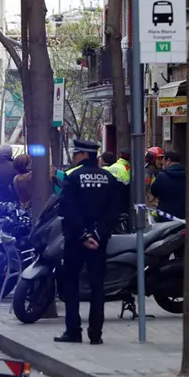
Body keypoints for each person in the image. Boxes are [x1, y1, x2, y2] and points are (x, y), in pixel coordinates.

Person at [54, 140, 119, 345]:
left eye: (75, 154)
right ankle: (95, 334)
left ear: (83, 155)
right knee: (97, 286)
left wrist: (83, 235)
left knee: (71, 285)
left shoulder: (73, 177)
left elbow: (67, 208)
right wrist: (98, 234)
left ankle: (73, 331)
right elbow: (114, 210)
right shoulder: (109, 178)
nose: (73, 158)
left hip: (76, 241)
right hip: (99, 243)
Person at [150, 151, 185, 221]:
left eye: (163, 163)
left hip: (165, 218)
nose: (163, 166)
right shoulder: (188, 176)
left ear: (168, 161)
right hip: (184, 218)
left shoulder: (162, 177)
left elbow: (154, 191)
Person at [103, 149, 131, 217]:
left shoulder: (112, 167)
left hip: (110, 203)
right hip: (121, 204)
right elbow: (128, 188)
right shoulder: (127, 168)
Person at [144, 146, 165, 214]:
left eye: (161, 159)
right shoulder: (147, 173)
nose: (161, 162)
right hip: (150, 208)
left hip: (157, 207)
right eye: (158, 159)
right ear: (151, 159)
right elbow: (143, 192)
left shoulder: (159, 172)